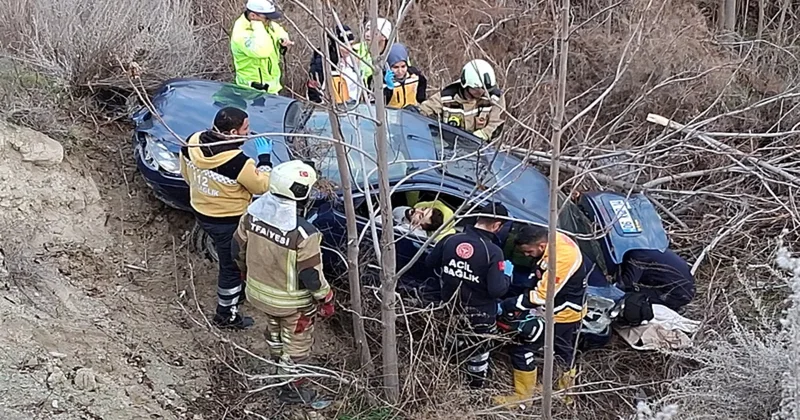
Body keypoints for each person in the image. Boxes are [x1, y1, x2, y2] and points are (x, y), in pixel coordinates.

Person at [232, 160, 334, 404]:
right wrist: (326, 298)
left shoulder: (251, 216)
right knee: (297, 344)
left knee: (274, 330)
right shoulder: (303, 234)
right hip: (292, 303)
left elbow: (236, 250)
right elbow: (310, 275)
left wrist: (245, 274)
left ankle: (278, 365)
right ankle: (292, 389)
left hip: (257, 293)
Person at [179, 107, 273, 329]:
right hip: (228, 220)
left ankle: (235, 295)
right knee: (230, 268)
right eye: (246, 129)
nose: (249, 134)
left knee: (232, 258)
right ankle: (226, 316)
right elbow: (262, 185)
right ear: (232, 132)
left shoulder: (192, 143)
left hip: (202, 211)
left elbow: (185, 174)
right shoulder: (239, 162)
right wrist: (265, 160)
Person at [495, 225, 587, 406]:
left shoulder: (562, 257)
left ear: (542, 245)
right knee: (563, 352)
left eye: (529, 251)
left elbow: (542, 295)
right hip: (563, 308)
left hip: (561, 313)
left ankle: (524, 397)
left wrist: (511, 304)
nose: (527, 255)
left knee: (524, 349)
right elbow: (539, 274)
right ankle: (566, 395)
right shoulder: (552, 241)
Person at [425, 202, 513, 388]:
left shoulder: (449, 240)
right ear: (497, 225)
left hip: (450, 305)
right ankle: (474, 387)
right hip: (480, 313)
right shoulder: (493, 252)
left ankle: (446, 373)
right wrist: (507, 275)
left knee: (452, 339)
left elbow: (429, 263)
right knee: (479, 351)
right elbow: (497, 290)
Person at [419, 59, 506, 141]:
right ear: (466, 85)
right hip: (449, 148)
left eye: (486, 89)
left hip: (482, 149)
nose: (483, 92)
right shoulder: (446, 98)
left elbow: (497, 123)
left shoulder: (495, 98)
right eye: (478, 89)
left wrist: (483, 134)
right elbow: (423, 111)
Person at [230, 0, 294, 94]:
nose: (270, 21)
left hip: (271, 90)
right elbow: (262, 50)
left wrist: (283, 38)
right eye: (267, 18)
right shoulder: (241, 34)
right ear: (253, 16)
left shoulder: (266, 24)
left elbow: (277, 29)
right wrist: (257, 26)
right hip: (251, 92)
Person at [616, 248, 696, 311]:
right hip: (686, 286)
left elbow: (628, 283)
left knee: (633, 297)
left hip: (678, 294)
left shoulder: (637, 255)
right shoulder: (647, 247)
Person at [307, 24, 366, 104]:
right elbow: (313, 89)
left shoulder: (355, 59)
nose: (348, 49)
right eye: (344, 45)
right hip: (331, 108)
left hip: (355, 106)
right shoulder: (323, 61)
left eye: (351, 44)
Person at [352, 17, 393, 88]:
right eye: (367, 30)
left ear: (384, 36)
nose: (367, 34)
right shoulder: (356, 50)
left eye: (373, 32)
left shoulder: (394, 53)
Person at [383, 43, 427, 108]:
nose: (400, 71)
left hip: (411, 114)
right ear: (388, 66)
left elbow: (421, 98)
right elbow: (377, 104)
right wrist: (388, 89)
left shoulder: (415, 77)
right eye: (395, 67)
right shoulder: (380, 80)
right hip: (390, 115)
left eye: (403, 66)